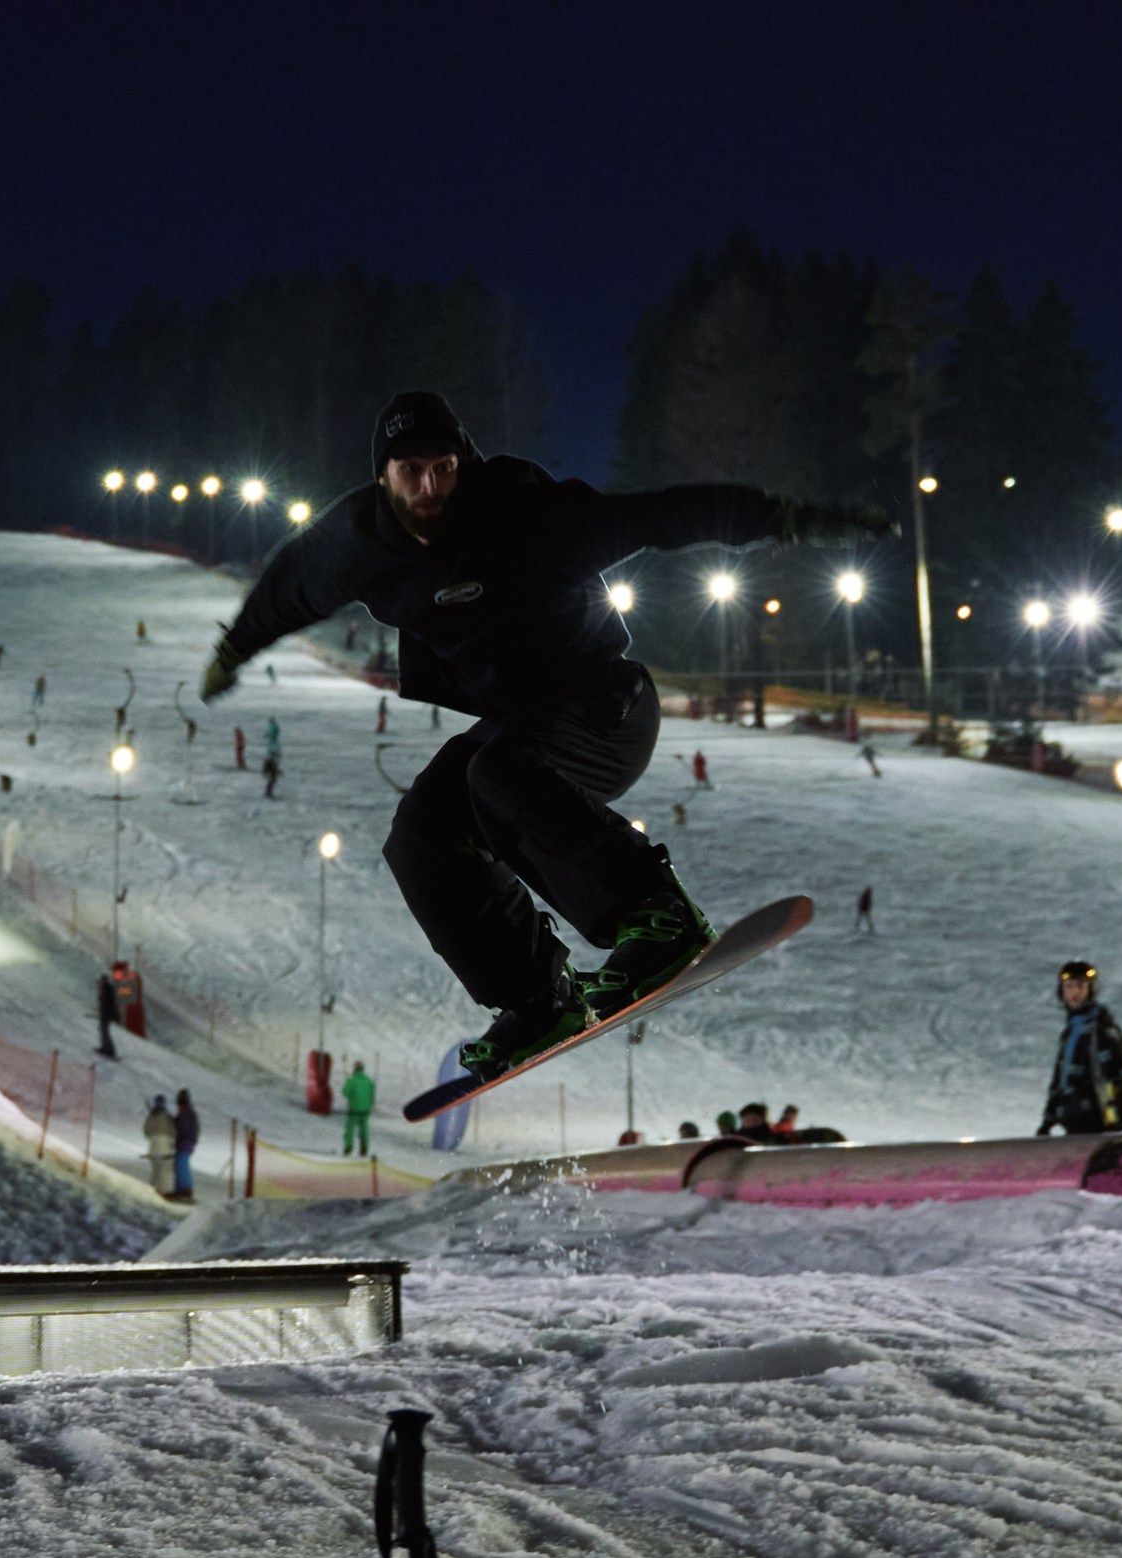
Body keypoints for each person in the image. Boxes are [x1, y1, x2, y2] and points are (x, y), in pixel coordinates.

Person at [200, 390, 885, 1084]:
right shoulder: (357, 542)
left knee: (496, 772)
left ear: (463, 463)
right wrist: (234, 645)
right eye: (412, 471)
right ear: (384, 476)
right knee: (421, 832)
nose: (431, 486)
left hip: (606, 706)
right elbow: (290, 584)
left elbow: (657, 515)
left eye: (444, 467)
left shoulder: (523, 515)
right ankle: (537, 996)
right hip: (519, 727)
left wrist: (784, 518)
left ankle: (658, 914)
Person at [1037, 959, 1122, 1136]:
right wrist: (1049, 1117)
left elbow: (1120, 1073)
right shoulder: (1071, 1031)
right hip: (1072, 1118)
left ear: (1090, 989)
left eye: (1081, 986)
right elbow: (1061, 1077)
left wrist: (1117, 1110)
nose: (1074, 992)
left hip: (1097, 1120)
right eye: (1068, 987)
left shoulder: (1101, 1028)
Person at [340, 1059, 376, 1156]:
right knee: (364, 1130)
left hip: (354, 1109)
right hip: (365, 1110)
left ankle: (348, 1147)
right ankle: (364, 1148)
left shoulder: (352, 1080)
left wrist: (346, 1085)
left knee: (350, 1130)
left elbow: (345, 1093)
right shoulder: (369, 1081)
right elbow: (372, 1096)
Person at [142, 1095, 176, 1194]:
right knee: (164, 1171)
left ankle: (152, 1190)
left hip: (153, 1147)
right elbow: (173, 1131)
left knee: (155, 1170)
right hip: (165, 1148)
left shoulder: (151, 1116)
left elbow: (146, 1131)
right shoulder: (168, 1117)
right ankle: (162, 1192)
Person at [171, 1091, 201, 1198]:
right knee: (180, 1164)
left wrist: (174, 1123)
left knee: (181, 1165)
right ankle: (180, 1188)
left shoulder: (185, 1113)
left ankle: (185, 1190)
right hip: (187, 1142)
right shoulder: (188, 1112)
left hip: (184, 1142)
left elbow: (183, 1128)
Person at [97, 965, 122, 1058]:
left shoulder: (108, 990)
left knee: (105, 1032)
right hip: (105, 1014)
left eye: (102, 981)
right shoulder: (104, 990)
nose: (100, 983)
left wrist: (109, 1014)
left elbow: (108, 1004)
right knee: (103, 1031)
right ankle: (104, 1048)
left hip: (107, 1015)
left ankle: (110, 1050)